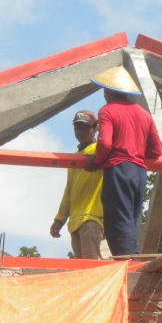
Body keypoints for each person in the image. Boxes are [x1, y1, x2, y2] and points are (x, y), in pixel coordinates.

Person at [84, 66, 162, 256]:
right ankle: (133, 262)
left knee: (117, 224)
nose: (103, 94)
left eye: (105, 89)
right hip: (139, 173)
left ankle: (129, 266)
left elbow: (104, 143)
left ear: (112, 90)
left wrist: (95, 160)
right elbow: (155, 151)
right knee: (129, 222)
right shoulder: (144, 114)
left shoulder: (107, 111)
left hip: (118, 170)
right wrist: (133, 148)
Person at [50, 110, 106, 259]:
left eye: (86, 127)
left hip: (91, 218)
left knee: (92, 265)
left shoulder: (98, 151)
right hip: (75, 222)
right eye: (78, 127)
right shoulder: (75, 158)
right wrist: (59, 220)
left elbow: (110, 141)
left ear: (94, 129)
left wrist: (98, 124)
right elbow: (69, 191)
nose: (81, 131)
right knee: (82, 268)